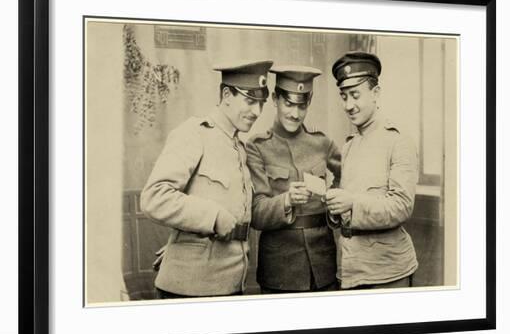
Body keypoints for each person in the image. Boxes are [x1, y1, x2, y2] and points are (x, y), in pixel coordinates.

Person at [140, 60, 273, 298]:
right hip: (190, 289)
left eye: (261, 103)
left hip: (230, 284)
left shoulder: (239, 147)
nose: (257, 112)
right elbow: (154, 197)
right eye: (250, 101)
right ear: (226, 95)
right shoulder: (194, 133)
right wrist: (211, 216)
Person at [326, 51, 419, 290]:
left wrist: (351, 203)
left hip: (387, 274)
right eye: (344, 96)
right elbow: (348, 206)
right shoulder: (349, 146)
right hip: (350, 270)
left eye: (355, 95)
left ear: (375, 93)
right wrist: (336, 208)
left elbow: (401, 206)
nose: (348, 105)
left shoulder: (398, 142)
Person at [246, 65, 341, 293]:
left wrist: (334, 203)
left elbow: (347, 177)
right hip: (280, 268)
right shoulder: (257, 147)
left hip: (323, 265)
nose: (295, 114)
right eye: (288, 104)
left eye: (302, 105)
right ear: (275, 99)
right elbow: (256, 213)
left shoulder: (322, 143)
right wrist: (286, 200)